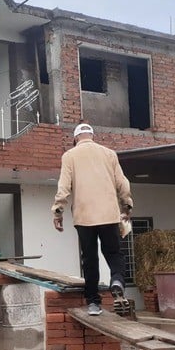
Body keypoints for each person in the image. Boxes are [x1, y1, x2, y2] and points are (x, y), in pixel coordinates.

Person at [52, 123, 133, 316]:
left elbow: (64, 186)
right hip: (109, 214)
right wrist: (126, 205)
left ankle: (94, 303)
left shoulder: (70, 156)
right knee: (114, 253)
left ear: (75, 139)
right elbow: (123, 182)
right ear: (92, 136)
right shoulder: (109, 154)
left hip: (84, 217)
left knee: (89, 259)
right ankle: (117, 280)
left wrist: (58, 211)